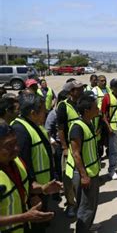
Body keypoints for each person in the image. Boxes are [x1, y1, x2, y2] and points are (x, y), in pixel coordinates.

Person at [10, 94, 62, 232]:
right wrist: (33, 194)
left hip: (42, 187)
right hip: (34, 191)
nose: (46, 112)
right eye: (44, 109)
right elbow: (22, 165)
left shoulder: (33, 124)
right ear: (33, 113)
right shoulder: (20, 130)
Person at [0, 123, 61, 233]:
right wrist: (24, 217)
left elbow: (27, 183)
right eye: (9, 145)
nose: (16, 148)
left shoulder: (17, 161)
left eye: (16, 143)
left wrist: (42, 188)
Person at [64, 92, 101, 233]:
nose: (97, 109)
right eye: (95, 107)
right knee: (85, 207)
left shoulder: (89, 123)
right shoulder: (77, 127)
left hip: (92, 171)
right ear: (87, 110)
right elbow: (76, 154)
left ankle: (88, 227)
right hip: (83, 174)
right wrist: (84, 175)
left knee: (91, 203)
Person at [56, 79, 84, 217]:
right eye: (79, 89)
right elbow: (60, 129)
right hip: (70, 148)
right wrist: (65, 147)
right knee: (69, 178)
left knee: (81, 177)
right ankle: (71, 204)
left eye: (82, 88)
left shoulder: (82, 103)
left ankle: (80, 203)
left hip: (83, 147)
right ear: (72, 91)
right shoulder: (63, 106)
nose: (82, 90)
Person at [102, 78, 117, 180]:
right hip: (113, 127)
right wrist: (108, 127)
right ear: (112, 88)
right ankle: (112, 170)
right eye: (116, 88)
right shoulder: (107, 98)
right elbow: (103, 114)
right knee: (113, 151)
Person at [44, 90, 68, 187]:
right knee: (59, 168)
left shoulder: (69, 111)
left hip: (68, 143)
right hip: (58, 145)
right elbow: (47, 130)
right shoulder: (53, 114)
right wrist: (53, 142)